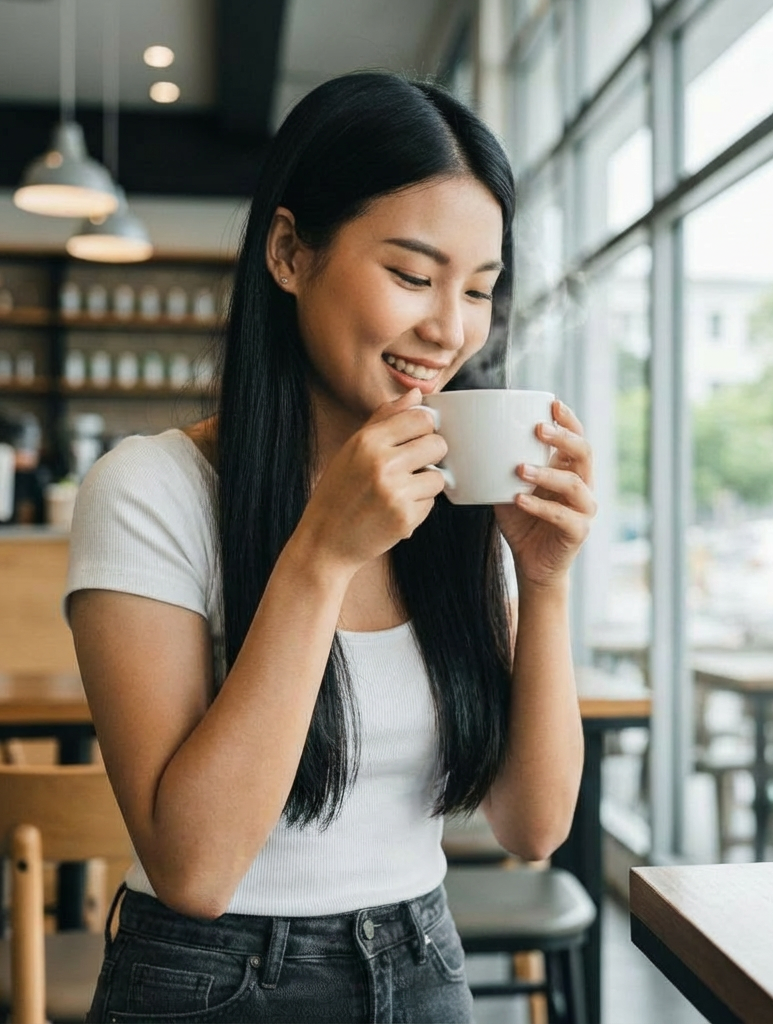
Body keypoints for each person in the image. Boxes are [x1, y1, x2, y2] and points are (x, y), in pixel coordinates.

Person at [65, 71, 595, 1023]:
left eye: (478, 289)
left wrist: (544, 583)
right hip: (210, 982)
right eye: (410, 275)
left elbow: (532, 826)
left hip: (426, 960)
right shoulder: (149, 489)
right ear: (288, 251)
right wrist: (321, 557)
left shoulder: (453, 493)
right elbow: (195, 867)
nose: (449, 329)